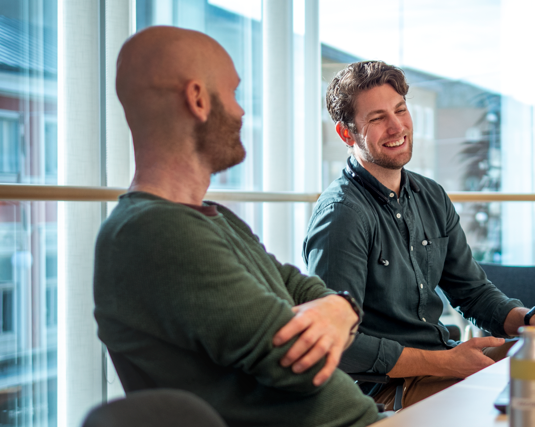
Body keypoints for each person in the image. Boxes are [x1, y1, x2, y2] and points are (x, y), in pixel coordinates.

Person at [93, 27, 382, 427]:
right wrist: (341, 310)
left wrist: (339, 306)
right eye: (232, 93)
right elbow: (301, 364)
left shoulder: (211, 218)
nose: (241, 111)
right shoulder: (155, 232)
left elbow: (300, 288)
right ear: (198, 99)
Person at [303, 60, 535, 408]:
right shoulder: (342, 214)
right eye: (377, 118)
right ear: (347, 134)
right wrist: (447, 363)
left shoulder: (430, 195)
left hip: (442, 364)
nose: (397, 126)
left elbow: (473, 293)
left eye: (400, 110)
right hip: (386, 390)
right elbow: (338, 346)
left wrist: (534, 321)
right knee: (534, 400)